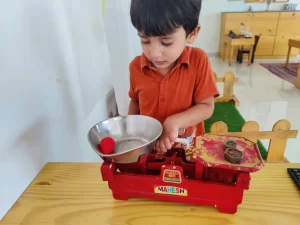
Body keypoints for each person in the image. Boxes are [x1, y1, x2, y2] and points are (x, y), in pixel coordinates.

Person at [128, 0, 219, 153]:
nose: (154, 53)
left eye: (166, 42)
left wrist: (174, 122)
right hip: (150, 150)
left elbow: (207, 107)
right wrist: (131, 130)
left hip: (188, 150)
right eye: (145, 40)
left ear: (192, 34)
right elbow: (135, 101)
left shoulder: (198, 60)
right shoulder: (136, 67)